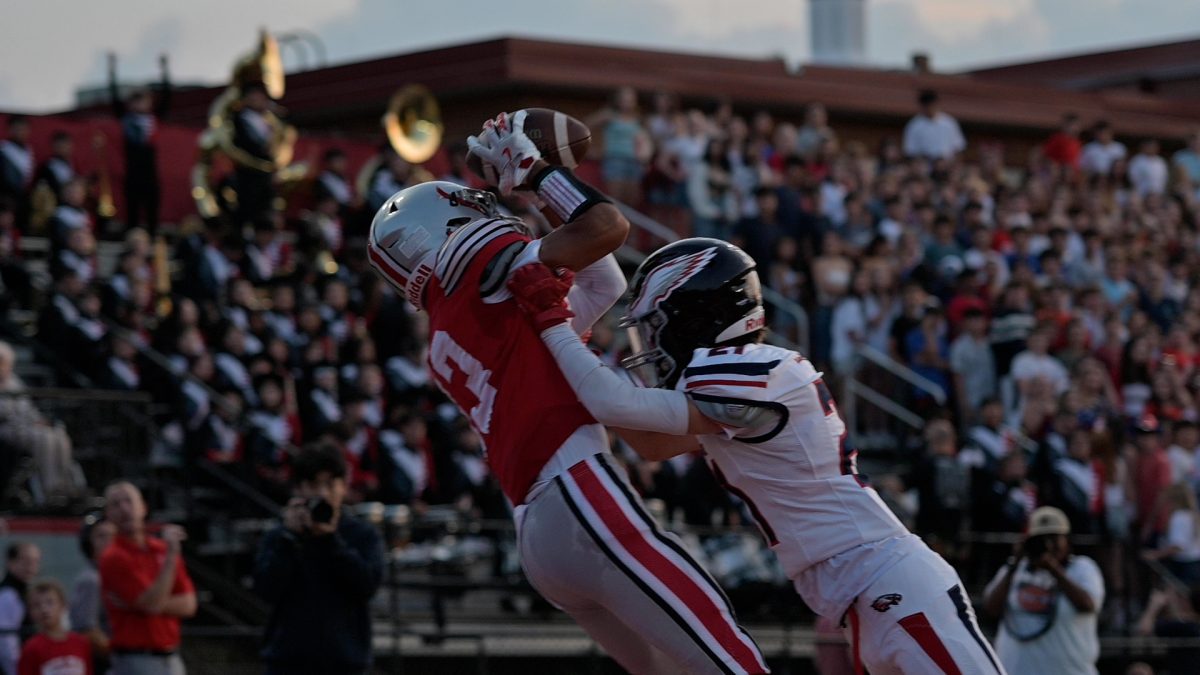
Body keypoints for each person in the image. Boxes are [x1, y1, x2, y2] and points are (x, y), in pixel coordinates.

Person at [367, 113, 766, 674]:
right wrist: (539, 178)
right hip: (577, 487)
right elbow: (607, 227)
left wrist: (548, 193)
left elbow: (605, 282)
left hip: (537, 530)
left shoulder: (454, 321)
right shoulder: (477, 263)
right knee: (730, 657)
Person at [507, 238, 1003, 673]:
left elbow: (615, 403)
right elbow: (647, 440)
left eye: (656, 326)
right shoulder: (745, 388)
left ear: (698, 315)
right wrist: (567, 355)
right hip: (857, 596)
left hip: (887, 580)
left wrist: (556, 324)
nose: (651, 344)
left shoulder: (757, 369)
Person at [254, 444, 385, 675]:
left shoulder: (362, 534)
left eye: (330, 484)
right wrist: (289, 539)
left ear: (343, 487)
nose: (322, 494)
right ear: (299, 489)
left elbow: (367, 585)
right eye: (314, 485)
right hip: (288, 662)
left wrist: (331, 540)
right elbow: (266, 589)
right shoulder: (281, 535)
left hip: (344, 661)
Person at [983, 506, 1105, 675]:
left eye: (1054, 537)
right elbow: (991, 609)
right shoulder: (1015, 570)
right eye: (1041, 539)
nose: (1048, 545)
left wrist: (1053, 569)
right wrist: (1015, 563)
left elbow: (1088, 604)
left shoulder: (1082, 568)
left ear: (1067, 541)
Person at [98, 482, 195, 675]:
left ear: (143, 507)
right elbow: (151, 604)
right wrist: (169, 561)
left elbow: (189, 604)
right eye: (115, 504)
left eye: (128, 501)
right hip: (136, 659)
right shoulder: (113, 556)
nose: (124, 509)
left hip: (171, 656)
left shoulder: (160, 548)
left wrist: (144, 604)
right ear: (108, 515)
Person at [108, 52, 170, 231]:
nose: (139, 105)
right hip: (132, 173)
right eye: (135, 101)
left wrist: (164, 70)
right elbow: (114, 98)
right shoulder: (125, 120)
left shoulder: (154, 120)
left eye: (143, 100)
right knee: (132, 212)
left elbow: (166, 96)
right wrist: (112, 70)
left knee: (152, 213)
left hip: (151, 174)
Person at [70, 515, 116, 671]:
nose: (109, 541)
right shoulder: (91, 579)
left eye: (113, 536)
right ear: (89, 542)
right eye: (101, 536)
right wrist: (122, 655)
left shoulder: (115, 577)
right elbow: (87, 631)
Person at [17, 579, 91, 675]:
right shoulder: (31, 648)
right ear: (30, 612)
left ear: (63, 605)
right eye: (36, 605)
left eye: (50, 602)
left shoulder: (81, 643)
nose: (44, 609)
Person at [0, 543, 41, 675]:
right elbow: (7, 643)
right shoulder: (8, 595)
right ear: (11, 562)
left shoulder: (23, 591)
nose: (31, 566)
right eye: (26, 560)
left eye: (35, 561)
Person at [901, 90, 965, 161]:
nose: (930, 109)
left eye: (932, 105)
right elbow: (910, 151)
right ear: (922, 107)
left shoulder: (949, 123)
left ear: (936, 104)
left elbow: (958, 148)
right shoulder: (914, 125)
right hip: (924, 165)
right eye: (927, 106)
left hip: (947, 163)